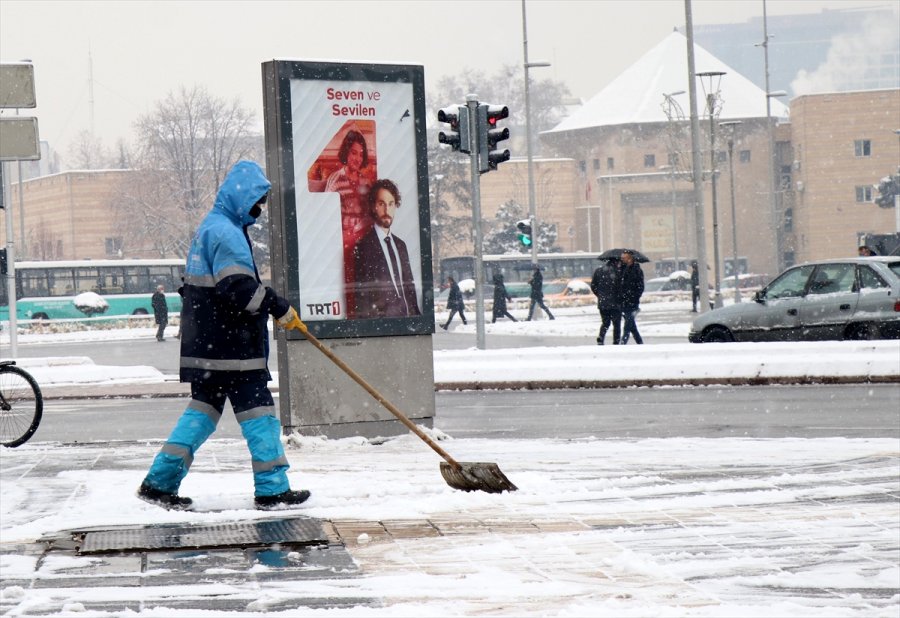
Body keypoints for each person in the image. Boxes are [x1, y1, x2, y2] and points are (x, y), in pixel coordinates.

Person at [137, 160, 309, 512]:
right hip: (233, 349)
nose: (259, 208)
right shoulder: (227, 233)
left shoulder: (210, 227)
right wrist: (278, 307)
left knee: (200, 414)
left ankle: (159, 482)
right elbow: (240, 290)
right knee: (260, 415)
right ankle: (272, 488)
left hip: (206, 347)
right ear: (240, 197)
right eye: (256, 200)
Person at [353, 179, 421, 318]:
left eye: (391, 204)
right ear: (373, 207)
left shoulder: (401, 245)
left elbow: (409, 287)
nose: (387, 210)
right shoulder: (364, 246)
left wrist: (417, 319)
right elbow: (362, 295)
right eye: (381, 204)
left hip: (408, 324)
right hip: (383, 326)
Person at [325, 130, 373, 317]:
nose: (357, 158)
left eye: (361, 154)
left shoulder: (366, 182)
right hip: (343, 241)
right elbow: (326, 215)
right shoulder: (336, 179)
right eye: (354, 152)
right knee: (348, 283)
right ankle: (350, 316)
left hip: (364, 241)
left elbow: (372, 214)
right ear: (346, 152)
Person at [590, 258, 621, 345]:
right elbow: (620, 287)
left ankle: (601, 337)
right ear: (616, 262)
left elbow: (593, 286)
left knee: (605, 323)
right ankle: (616, 341)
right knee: (616, 324)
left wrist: (600, 295)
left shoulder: (599, 271)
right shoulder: (618, 272)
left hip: (603, 303)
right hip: (615, 303)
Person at [619, 250, 645, 345]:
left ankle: (623, 342)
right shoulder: (622, 269)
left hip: (632, 301)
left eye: (624, 258)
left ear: (630, 259)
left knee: (628, 324)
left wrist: (634, 296)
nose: (622, 260)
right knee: (631, 324)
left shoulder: (637, 270)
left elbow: (640, 286)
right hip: (624, 301)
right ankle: (639, 342)